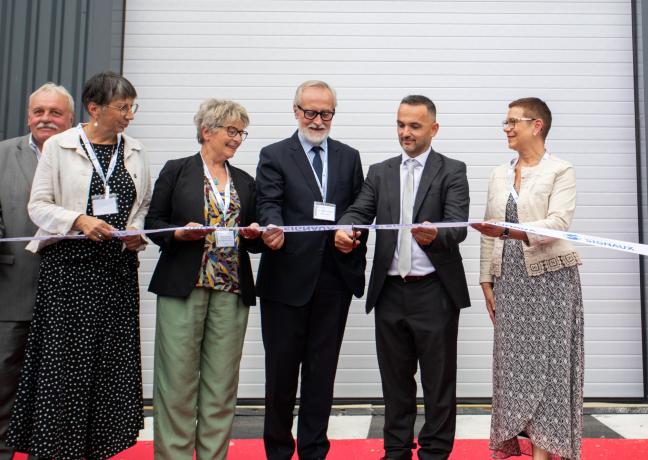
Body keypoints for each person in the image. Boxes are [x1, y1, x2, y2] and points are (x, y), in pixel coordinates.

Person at [6, 71, 151, 459]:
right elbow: (38, 206)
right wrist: (78, 220)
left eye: (131, 107)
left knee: (107, 370)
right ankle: (56, 450)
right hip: (70, 273)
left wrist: (136, 233)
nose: (129, 115)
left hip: (116, 273)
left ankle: (96, 450)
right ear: (94, 108)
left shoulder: (134, 150)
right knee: (64, 371)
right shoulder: (61, 146)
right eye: (123, 108)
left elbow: (143, 207)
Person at [335, 95, 470, 460]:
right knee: (395, 383)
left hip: (435, 292)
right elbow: (359, 211)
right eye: (400, 124)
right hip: (390, 291)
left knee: (438, 382)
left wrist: (436, 235)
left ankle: (434, 453)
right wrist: (345, 229)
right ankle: (395, 451)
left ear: (433, 129)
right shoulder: (380, 172)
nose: (405, 132)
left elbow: (458, 226)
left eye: (414, 126)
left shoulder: (453, 170)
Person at [145, 98, 262, 460]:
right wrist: (178, 234)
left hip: (231, 289)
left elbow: (253, 238)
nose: (238, 139)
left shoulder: (245, 180)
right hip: (184, 286)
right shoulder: (177, 170)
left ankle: (213, 455)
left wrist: (256, 233)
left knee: (221, 384)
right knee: (176, 382)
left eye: (241, 132)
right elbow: (154, 224)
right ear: (206, 130)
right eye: (231, 131)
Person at [255, 80, 366, 460]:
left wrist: (352, 236)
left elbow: (358, 209)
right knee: (282, 376)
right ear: (296, 111)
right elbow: (267, 202)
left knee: (321, 375)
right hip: (285, 280)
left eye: (326, 113)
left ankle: (315, 450)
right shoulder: (274, 154)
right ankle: (279, 451)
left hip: (333, 280)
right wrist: (271, 228)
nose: (318, 120)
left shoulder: (349, 156)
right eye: (311, 112)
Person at [471, 98, 584, 460]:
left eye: (512, 122)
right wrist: (486, 280)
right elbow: (488, 232)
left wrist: (509, 231)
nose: (506, 128)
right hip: (510, 283)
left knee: (550, 369)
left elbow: (557, 224)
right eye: (504, 122)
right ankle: (525, 443)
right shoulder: (498, 174)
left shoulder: (561, 170)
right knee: (516, 371)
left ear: (537, 125)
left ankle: (545, 452)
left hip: (551, 281)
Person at [0, 82, 74, 460]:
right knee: (4, 385)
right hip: (14, 291)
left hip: (69, 295)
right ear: (28, 116)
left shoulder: (84, 157)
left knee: (57, 392)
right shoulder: (1, 155)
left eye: (55, 112)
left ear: (71, 118)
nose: (46, 118)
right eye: (39, 111)